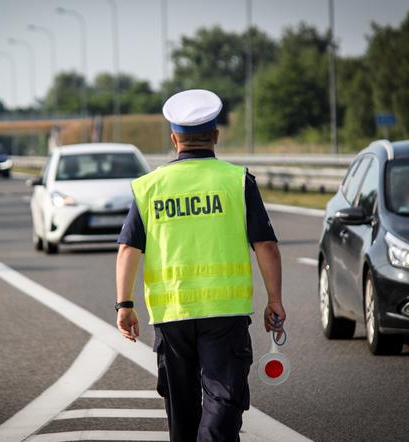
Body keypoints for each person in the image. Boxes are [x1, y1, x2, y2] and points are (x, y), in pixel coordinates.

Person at [115, 89, 285, 442]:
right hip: (225, 313)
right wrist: (275, 299)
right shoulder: (237, 181)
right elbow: (265, 245)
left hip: (172, 313)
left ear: (174, 138)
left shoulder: (150, 187)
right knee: (224, 397)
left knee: (181, 406)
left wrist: (125, 304)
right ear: (216, 136)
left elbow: (128, 248)